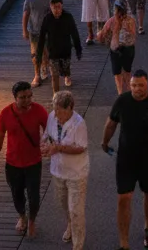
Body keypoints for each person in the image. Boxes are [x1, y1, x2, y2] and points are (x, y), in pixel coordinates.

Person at [102, 70, 148, 250]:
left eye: (141, 85)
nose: (137, 89)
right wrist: (104, 142)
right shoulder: (122, 101)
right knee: (123, 198)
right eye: (134, 85)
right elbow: (111, 124)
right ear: (129, 85)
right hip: (126, 158)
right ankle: (124, 243)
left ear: (147, 84)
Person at [0, 81, 49, 238]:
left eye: (29, 96)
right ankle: (22, 216)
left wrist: (47, 145)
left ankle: (31, 220)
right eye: (23, 97)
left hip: (34, 162)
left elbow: (49, 132)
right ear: (15, 98)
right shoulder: (6, 113)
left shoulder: (39, 110)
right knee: (17, 194)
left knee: (34, 195)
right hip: (13, 163)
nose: (27, 100)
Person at [42, 90, 89, 250]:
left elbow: (81, 148)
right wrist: (44, 145)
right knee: (64, 205)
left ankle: (78, 245)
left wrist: (58, 148)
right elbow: (47, 135)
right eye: (55, 110)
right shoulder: (52, 117)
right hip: (58, 171)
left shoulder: (79, 124)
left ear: (70, 108)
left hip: (76, 173)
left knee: (76, 210)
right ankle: (70, 224)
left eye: (60, 111)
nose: (56, 114)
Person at [37, 0, 84, 93]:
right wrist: (39, 54)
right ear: (50, 7)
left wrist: (78, 50)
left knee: (65, 69)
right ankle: (56, 95)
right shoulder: (47, 19)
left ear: (62, 6)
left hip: (66, 50)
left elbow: (74, 34)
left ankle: (67, 75)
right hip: (53, 52)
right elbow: (41, 37)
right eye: (54, 7)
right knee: (55, 75)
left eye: (58, 7)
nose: (56, 10)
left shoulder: (68, 17)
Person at [98, 0, 138, 94]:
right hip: (127, 49)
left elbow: (101, 35)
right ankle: (127, 93)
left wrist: (100, 35)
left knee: (118, 73)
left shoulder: (113, 21)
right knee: (126, 72)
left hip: (117, 49)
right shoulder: (130, 20)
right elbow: (134, 35)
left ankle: (121, 93)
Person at [23, 0, 50, 87]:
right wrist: (24, 30)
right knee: (35, 55)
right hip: (34, 31)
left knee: (46, 53)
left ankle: (44, 66)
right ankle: (37, 75)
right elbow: (26, 14)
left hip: (47, 31)